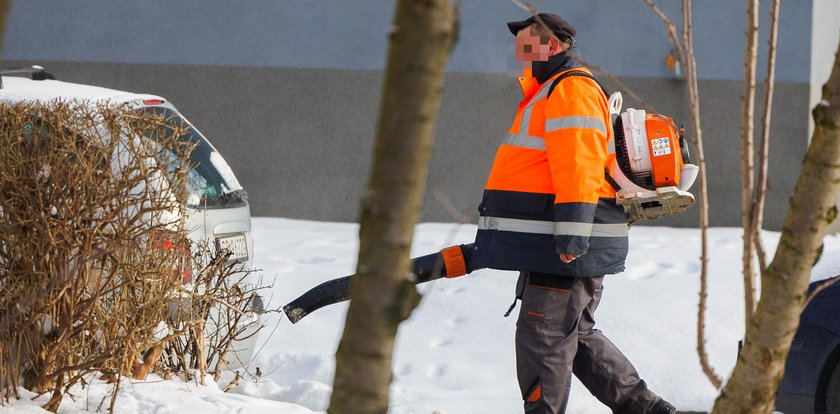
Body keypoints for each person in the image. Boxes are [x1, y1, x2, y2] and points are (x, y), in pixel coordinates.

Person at [467, 13, 678, 414]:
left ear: (552, 45)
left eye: (528, 43)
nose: (520, 52)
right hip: (556, 243)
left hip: (564, 247)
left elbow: (578, 166)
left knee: (544, 341)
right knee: (573, 336)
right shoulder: (550, 89)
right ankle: (649, 410)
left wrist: (571, 237)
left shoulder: (570, 89)